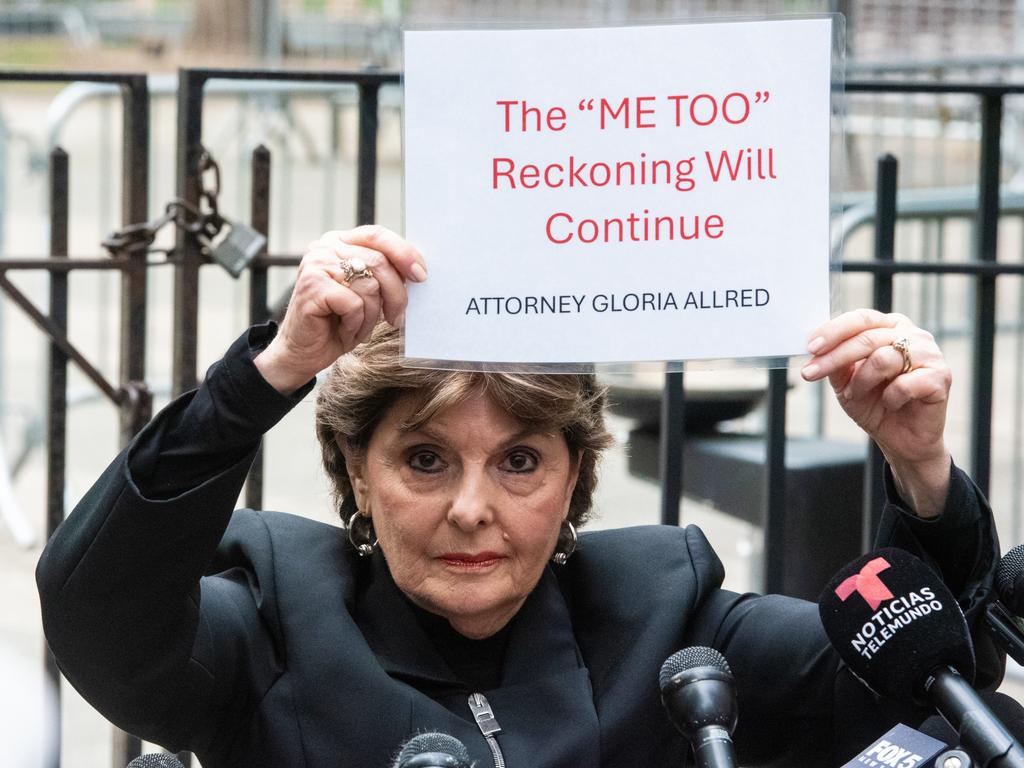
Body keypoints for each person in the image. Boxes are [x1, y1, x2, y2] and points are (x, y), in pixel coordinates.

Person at [37, 226, 1002, 768]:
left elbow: (924, 681)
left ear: (576, 478)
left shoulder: (668, 622)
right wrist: (267, 376)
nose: (470, 509)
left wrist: (918, 470)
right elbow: (97, 610)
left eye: (520, 463)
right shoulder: (272, 624)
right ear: (354, 477)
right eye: (423, 461)